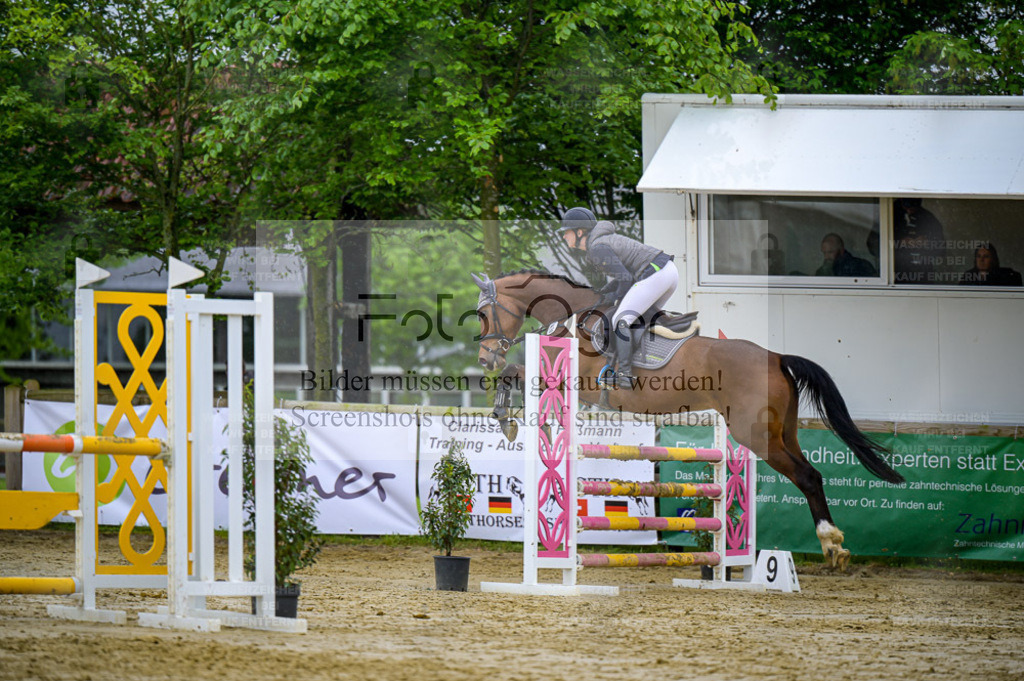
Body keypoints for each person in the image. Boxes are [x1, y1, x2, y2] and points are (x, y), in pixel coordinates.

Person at [560, 207, 678, 389]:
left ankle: (624, 374)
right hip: (666, 272)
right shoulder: (600, 243)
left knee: (621, 319)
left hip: (657, 274)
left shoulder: (597, 248)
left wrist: (612, 297)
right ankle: (647, 363)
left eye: (566, 232)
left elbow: (625, 279)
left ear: (579, 232)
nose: (564, 237)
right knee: (638, 319)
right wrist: (606, 292)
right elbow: (623, 277)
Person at [894, 198, 945, 283]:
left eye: (914, 208)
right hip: (895, 274)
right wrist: (898, 242)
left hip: (922, 275)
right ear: (901, 201)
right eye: (907, 207)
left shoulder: (928, 218)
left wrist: (928, 242)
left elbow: (942, 250)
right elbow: (874, 245)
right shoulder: (889, 214)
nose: (910, 211)